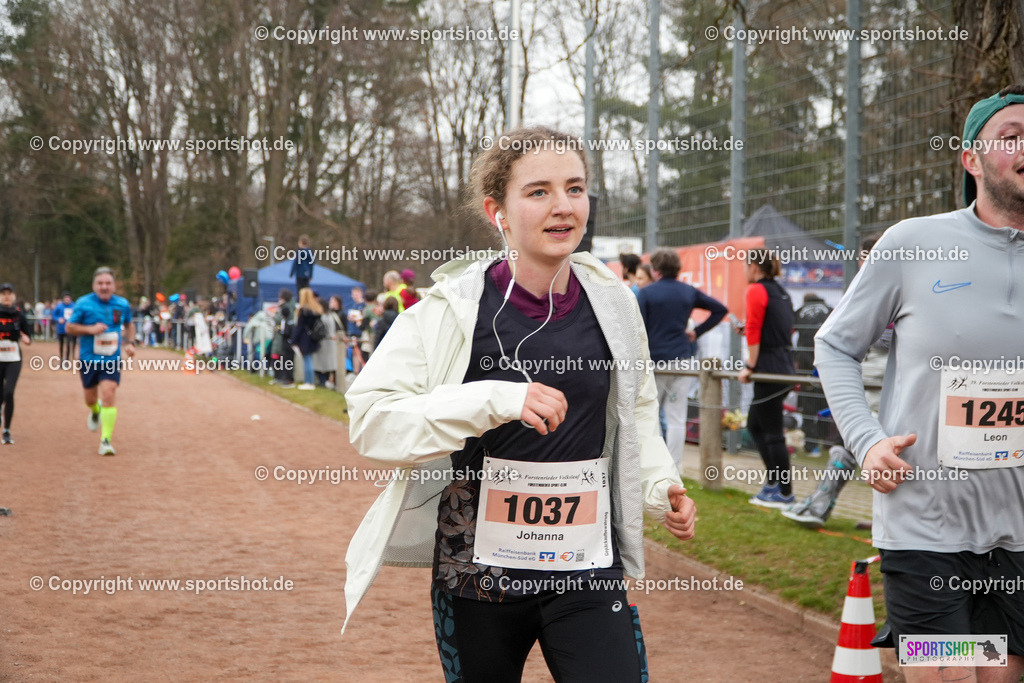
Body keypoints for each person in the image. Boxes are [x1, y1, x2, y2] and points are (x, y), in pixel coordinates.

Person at [344, 126, 696, 683]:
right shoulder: (448, 310)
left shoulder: (615, 304)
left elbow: (635, 410)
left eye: (575, 189)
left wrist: (660, 485)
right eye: (538, 192)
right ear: (497, 211)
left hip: (584, 566)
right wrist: (496, 399)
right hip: (476, 573)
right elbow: (371, 420)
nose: (563, 207)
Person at [816, 85, 1024, 682]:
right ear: (970, 159)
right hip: (927, 527)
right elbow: (834, 345)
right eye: (1011, 136)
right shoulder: (914, 242)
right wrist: (867, 440)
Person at [636, 247, 728, 468]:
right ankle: (674, 466)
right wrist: (697, 332)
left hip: (655, 363)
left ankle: (653, 464)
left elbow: (638, 328)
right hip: (682, 361)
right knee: (677, 417)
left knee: (651, 414)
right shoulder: (688, 291)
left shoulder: (646, 293)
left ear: (655, 269)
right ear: (677, 268)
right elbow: (720, 309)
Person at [738, 249, 795, 508]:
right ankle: (773, 484)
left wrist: (750, 365)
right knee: (755, 425)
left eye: (746, 265)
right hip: (783, 366)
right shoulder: (781, 292)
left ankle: (784, 493)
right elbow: (773, 327)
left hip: (769, 369)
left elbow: (754, 330)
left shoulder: (756, 290)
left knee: (772, 432)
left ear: (754, 266)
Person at [66, 267, 135, 456]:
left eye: (108, 283)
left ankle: (106, 441)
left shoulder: (122, 303)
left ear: (114, 285)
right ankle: (95, 410)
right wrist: (90, 330)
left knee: (109, 393)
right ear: (94, 285)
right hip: (89, 359)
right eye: (100, 283)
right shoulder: (83, 303)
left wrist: (130, 343)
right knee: (90, 399)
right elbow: (70, 327)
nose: (104, 287)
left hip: (111, 358)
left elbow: (129, 324)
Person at [793, 292, 833, 456]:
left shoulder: (799, 311)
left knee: (809, 406)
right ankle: (828, 442)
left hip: (806, 364)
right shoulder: (830, 310)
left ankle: (811, 446)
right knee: (827, 404)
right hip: (828, 361)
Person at [0, 283, 32, 445]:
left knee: (9, 392)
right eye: (3, 293)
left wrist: (26, 338)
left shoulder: (19, 315)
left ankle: (6, 430)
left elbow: (28, 336)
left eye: (9, 293)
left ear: (14, 296)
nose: (6, 296)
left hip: (13, 358)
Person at [289, 287, 323, 390]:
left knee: (307, 360)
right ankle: (309, 382)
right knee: (309, 360)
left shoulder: (304, 310)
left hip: (305, 339)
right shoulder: (316, 309)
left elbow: (299, 327)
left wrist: (293, 340)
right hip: (313, 338)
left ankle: (309, 382)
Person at [313, 297, 343, 388]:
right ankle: (327, 382)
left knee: (319, 364)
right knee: (329, 364)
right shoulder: (332, 315)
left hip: (323, 342)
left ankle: (323, 381)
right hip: (331, 342)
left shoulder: (321, 316)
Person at [269, 289, 295, 387]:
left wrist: (274, 315)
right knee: (278, 357)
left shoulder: (286, 308)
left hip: (282, 338)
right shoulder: (289, 306)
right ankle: (278, 377)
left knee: (280, 357)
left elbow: (280, 320)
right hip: (280, 337)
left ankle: (282, 378)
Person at [52, 292, 77, 362]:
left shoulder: (74, 306)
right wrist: (58, 319)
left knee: (68, 344)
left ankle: (67, 360)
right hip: (61, 329)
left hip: (69, 329)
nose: (67, 299)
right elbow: (54, 315)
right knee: (61, 345)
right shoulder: (59, 306)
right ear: (63, 299)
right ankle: (61, 358)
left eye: (68, 298)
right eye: (66, 298)